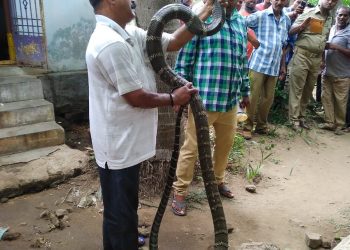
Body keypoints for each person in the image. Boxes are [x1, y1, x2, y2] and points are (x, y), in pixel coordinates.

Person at [86, 0, 227, 249]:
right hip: (117, 145)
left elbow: (172, 42)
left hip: (128, 140)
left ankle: (126, 237)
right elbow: (135, 96)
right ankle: (122, 242)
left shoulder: (129, 32)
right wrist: (173, 98)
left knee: (125, 204)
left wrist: (204, 11)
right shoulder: (109, 43)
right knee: (118, 210)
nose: (133, 1)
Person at [171, 0, 250, 216]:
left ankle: (217, 182)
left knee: (225, 145)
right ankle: (179, 193)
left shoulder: (240, 22)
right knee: (192, 148)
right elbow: (185, 58)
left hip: (229, 101)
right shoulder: (203, 17)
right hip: (204, 100)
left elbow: (242, 61)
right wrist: (181, 93)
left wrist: (245, 91)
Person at [241, 0, 291, 140]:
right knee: (252, 96)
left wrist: (283, 66)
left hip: (274, 65)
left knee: (268, 98)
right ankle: (247, 126)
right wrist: (253, 41)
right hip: (259, 63)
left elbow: (283, 44)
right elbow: (240, 23)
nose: (279, 2)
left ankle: (262, 126)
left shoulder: (285, 19)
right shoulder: (261, 15)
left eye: (283, 0)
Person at [287, 0, 338, 131]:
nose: (331, 2)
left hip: (316, 59)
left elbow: (322, 39)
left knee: (308, 89)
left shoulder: (330, 18)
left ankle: (301, 117)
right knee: (297, 88)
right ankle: (293, 119)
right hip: (302, 55)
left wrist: (322, 59)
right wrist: (302, 26)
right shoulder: (308, 13)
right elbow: (291, 31)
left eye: (334, 1)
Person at [318, 6, 350, 135]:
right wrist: (322, 61)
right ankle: (329, 122)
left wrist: (334, 46)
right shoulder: (331, 29)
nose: (342, 17)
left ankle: (339, 125)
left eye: (345, 15)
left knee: (340, 101)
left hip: (342, 74)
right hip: (327, 72)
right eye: (340, 15)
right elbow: (324, 46)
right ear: (336, 15)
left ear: (349, 17)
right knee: (326, 98)